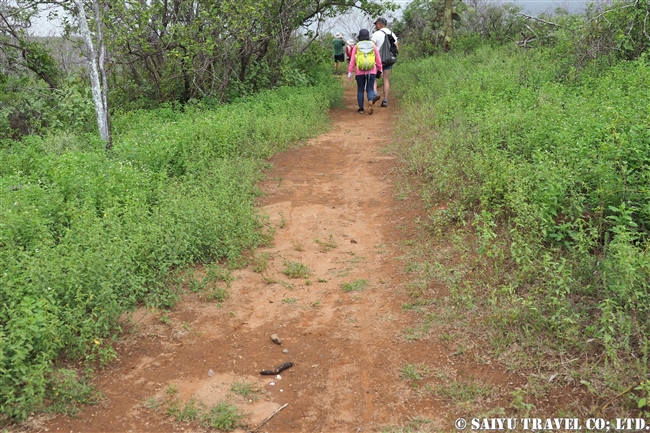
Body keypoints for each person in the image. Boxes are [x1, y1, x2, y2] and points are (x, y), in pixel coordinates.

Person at [347, 29, 383, 115]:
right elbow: (378, 58)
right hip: (372, 70)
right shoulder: (373, 45)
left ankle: (361, 108)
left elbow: (352, 60)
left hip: (360, 71)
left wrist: (350, 72)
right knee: (370, 88)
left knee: (360, 90)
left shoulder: (357, 46)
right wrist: (380, 69)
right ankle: (370, 101)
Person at [372, 18, 399, 107]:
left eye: (376, 24)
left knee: (373, 78)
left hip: (377, 61)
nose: (375, 26)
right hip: (388, 60)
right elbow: (396, 48)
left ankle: (375, 93)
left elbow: (372, 47)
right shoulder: (392, 34)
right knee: (386, 79)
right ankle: (385, 100)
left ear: (380, 24)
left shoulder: (376, 34)